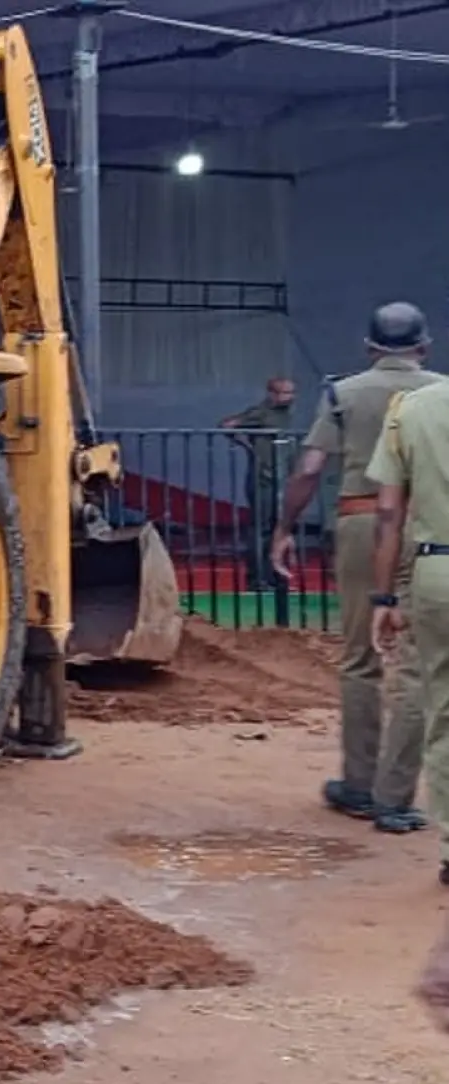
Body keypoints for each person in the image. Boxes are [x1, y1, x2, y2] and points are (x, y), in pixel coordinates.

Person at [275, 302, 443, 833]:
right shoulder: (439, 392)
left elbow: (310, 467)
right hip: (423, 530)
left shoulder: (341, 393)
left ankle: (359, 785)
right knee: (417, 667)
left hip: (359, 523)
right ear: (425, 346)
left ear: (370, 348)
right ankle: (397, 796)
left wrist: (283, 527)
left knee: (359, 659)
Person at [369, 362, 449, 878]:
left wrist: (382, 597)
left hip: (437, 572)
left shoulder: (412, 409)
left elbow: (388, 514)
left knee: (443, 710)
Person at [222, 376, 299, 591]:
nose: (289, 397)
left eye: (291, 393)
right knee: (261, 529)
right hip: (262, 477)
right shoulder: (261, 412)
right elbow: (227, 425)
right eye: (284, 393)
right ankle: (258, 579)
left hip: (281, 477)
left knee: (278, 528)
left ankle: (276, 578)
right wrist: (249, 448)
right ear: (272, 394)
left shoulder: (285, 414)